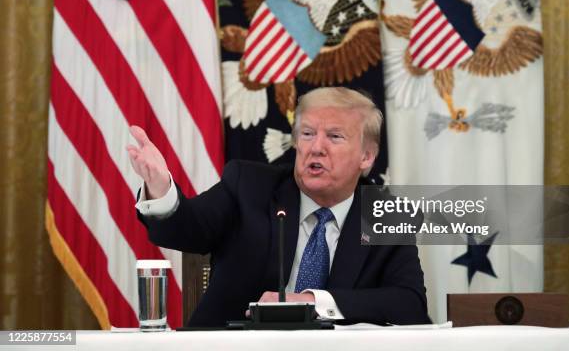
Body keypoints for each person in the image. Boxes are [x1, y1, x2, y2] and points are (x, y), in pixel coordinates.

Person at [127, 87, 430, 327]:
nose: (316, 147)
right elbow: (188, 229)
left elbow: (409, 304)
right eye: (308, 134)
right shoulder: (248, 186)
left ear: (366, 157)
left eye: (334, 136)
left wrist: (314, 301)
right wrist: (161, 188)